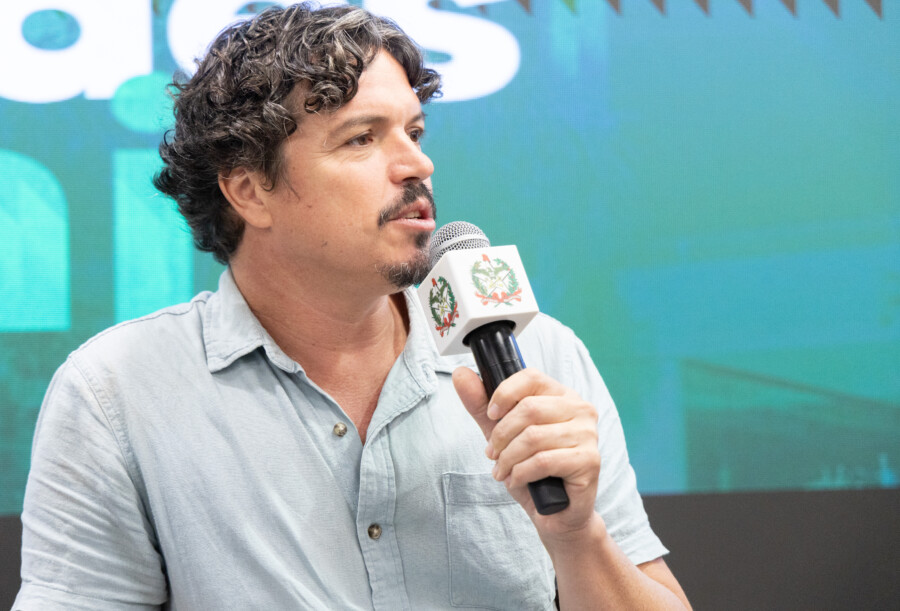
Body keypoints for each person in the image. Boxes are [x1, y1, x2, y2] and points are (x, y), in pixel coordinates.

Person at [15, 3, 690, 609]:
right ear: (249, 191)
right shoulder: (117, 392)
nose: (417, 165)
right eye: (362, 138)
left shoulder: (538, 354)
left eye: (415, 132)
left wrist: (576, 535)